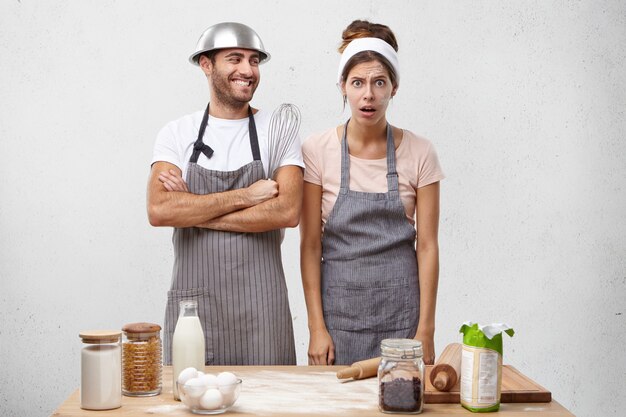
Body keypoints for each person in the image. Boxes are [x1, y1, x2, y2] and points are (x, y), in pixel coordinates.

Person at [147, 22, 303, 365]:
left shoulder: (278, 131)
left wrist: (193, 210)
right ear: (206, 64)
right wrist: (247, 196)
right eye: (235, 59)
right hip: (197, 308)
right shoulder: (176, 133)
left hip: (263, 306)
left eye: (254, 61)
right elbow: (160, 210)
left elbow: (287, 212)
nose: (248, 70)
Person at [300, 20, 444, 366]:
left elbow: (426, 246)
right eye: (358, 83)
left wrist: (426, 330)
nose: (369, 95)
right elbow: (310, 245)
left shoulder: (421, 152)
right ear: (343, 87)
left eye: (379, 82)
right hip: (340, 321)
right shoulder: (317, 150)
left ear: (394, 88)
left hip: (402, 317)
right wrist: (316, 328)